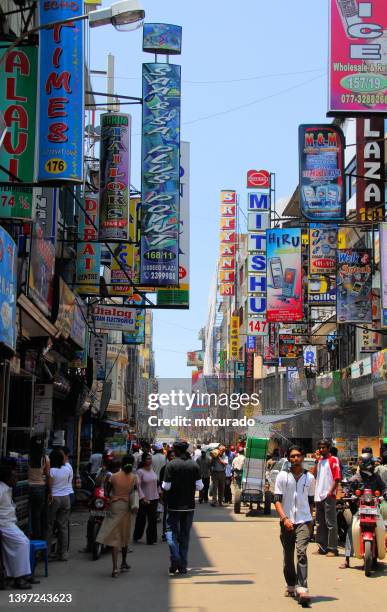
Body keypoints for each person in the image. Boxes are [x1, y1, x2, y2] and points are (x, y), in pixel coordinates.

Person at [274, 446, 316, 604]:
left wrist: (311, 519)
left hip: (304, 521)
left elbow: (311, 501)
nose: (296, 459)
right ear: (289, 458)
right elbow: (277, 500)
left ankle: (302, 587)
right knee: (288, 556)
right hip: (287, 521)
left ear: (303, 457)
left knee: (301, 553)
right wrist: (284, 519)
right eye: (292, 456)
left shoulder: (310, 478)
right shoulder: (282, 477)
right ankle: (291, 584)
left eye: (298, 455)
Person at [162, 440, 203, 575]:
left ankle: (176, 558)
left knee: (171, 533)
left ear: (177, 450)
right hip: (189, 507)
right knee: (185, 535)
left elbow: (166, 486)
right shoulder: (194, 465)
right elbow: (200, 486)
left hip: (173, 506)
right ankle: (182, 565)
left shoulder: (171, 465)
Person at [339, 453, 387, 569]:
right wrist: (348, 493)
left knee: (382, 527)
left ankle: (376, 555)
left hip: (374, 509)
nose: (374, 464)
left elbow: (384, 488)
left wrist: (385, 493)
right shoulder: (356, 478)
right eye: (371, 463)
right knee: (351, 529)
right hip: (360, 510)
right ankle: (347, 559)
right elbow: (347, 487)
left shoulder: (376, 477)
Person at [96, 454, 137, 577]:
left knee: (115, 538)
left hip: (114, 506)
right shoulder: (134, 477)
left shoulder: (113, 476)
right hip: (127, 508)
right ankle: (124, 562)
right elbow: (135, 491)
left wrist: (110, 498)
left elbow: (107, 491)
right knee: (125, 535)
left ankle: (115, 569)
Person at [0, 464, 38, 589]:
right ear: (7, 478)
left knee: (25, 542)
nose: (16, 479)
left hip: (10, 523)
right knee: (22, 544)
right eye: (14, 477)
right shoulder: (1, 490)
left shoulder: (7, 488)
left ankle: (23, 574)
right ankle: (19, 577)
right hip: (4, 524)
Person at [312, 439, 341, 557]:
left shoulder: (334, 460)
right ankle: (321, 547)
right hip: (318, 496)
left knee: (331, 523)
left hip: (328, 495)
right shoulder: (319, 461)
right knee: (319, 523)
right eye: (320, 447)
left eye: (324, 447)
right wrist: (316, 461)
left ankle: (333, 549)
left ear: (328, 448)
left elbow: (337, 477)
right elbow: (313, 475)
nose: (321, 449)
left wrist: (330, 492)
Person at [47, 449, 72, 561]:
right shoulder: (67, 469)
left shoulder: (51, 471)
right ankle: (63, 553)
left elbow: (50, 487)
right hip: (66, 498)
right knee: (63, 526)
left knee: (49, 526)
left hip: (55, 499)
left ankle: (47, 552)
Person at [133, 453, 159, 545]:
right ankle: (137, 536)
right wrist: (142, 497)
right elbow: (137, 486)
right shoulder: (140, 472)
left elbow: (156, 484)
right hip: (144, 499)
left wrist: (159, 494)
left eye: (150, 459)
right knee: (141, 519)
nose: (150, 460)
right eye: (148, 459)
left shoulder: (152, 470)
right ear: (143, 460)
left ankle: (151, 539)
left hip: (154, 498)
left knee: (153, 520)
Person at [28, 435, 50, 540]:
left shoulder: (28, 457)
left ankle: (29, 534)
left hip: (29, 487)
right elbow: (47, 474)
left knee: (28, 513)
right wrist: (50, 490)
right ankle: (37, 537)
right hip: (40, 488)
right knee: (38, 514)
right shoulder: (45, 459)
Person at [160, 449, 175, 540]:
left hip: (177, 495)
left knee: (175, 515)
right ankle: (165, 533)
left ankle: (174, 533)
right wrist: (161, 494)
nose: (172, 457)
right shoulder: (164, 468)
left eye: (174, 455)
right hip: (167, 495)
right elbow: (162, 483)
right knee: (166, 514)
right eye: (171, 456)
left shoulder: (179, 468)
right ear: (168, 457)